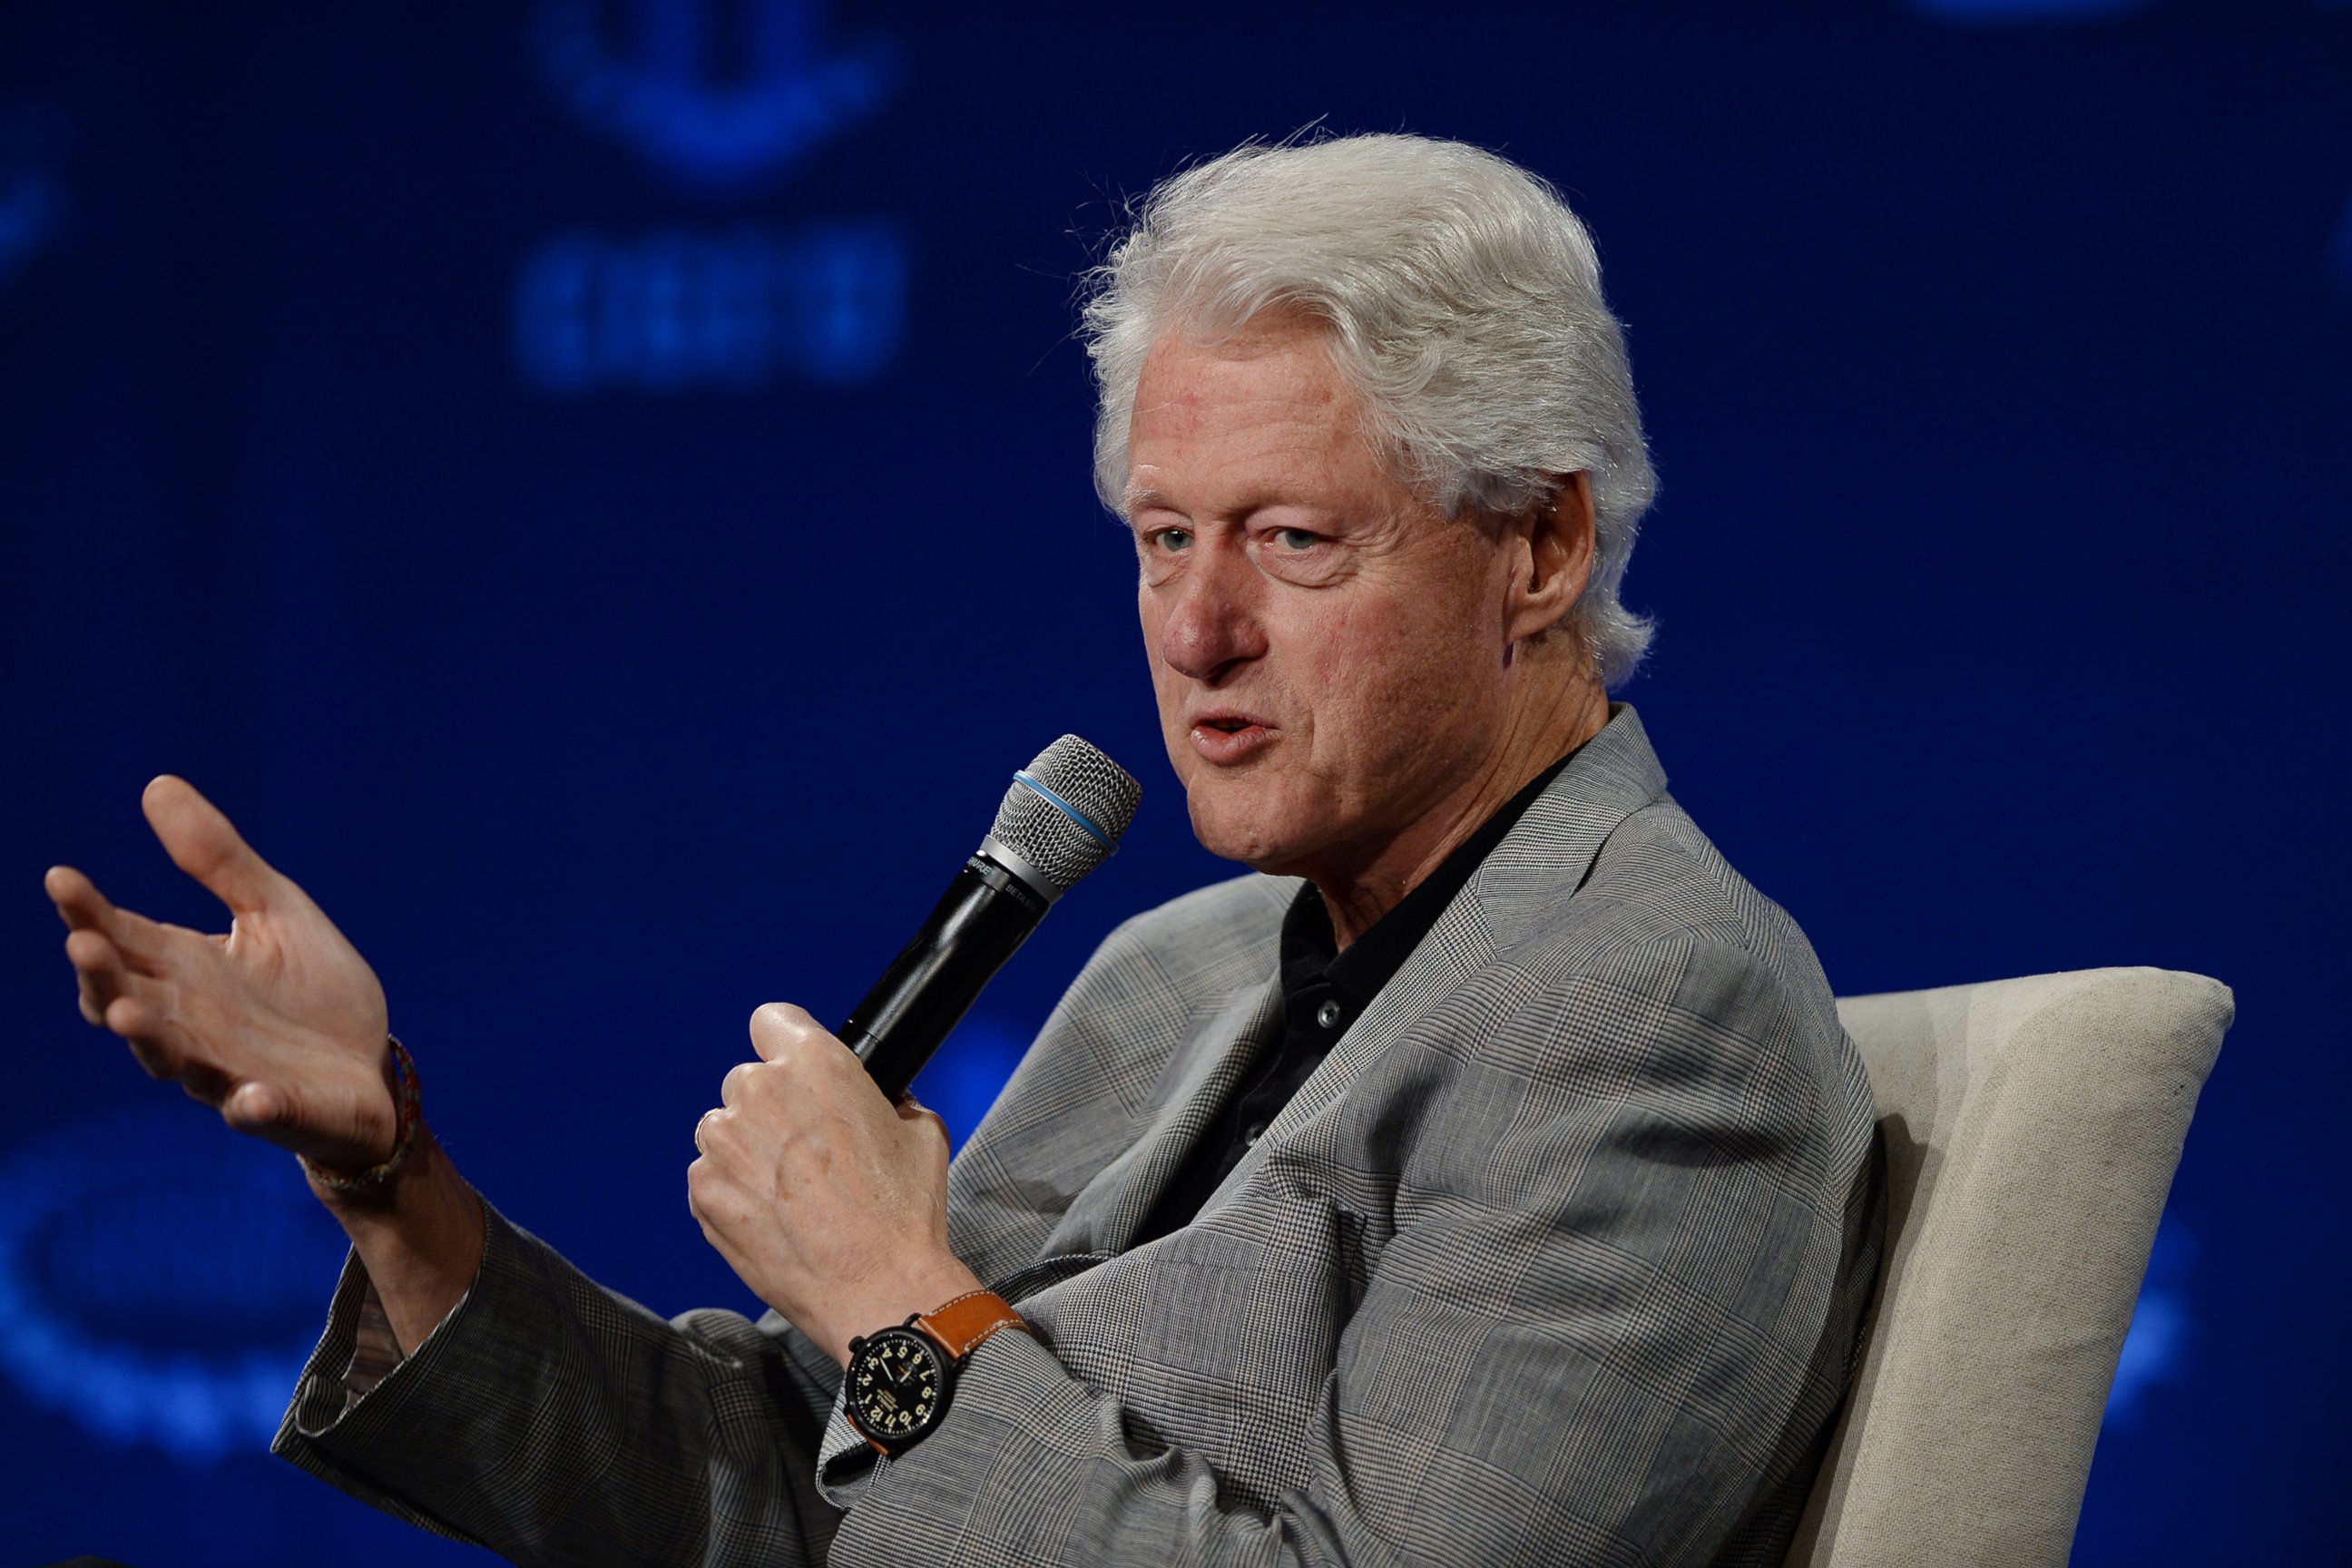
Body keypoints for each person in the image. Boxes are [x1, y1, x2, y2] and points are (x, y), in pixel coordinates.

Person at [44, 133, 1882, 1566]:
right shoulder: (1180, 970)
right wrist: (395, 1178)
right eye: (1165, 540)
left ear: (1540, 548)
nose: (1197, 631)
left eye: (1296, 542)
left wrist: (884, 1297)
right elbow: (777, 1495)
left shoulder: (1646, 1006)